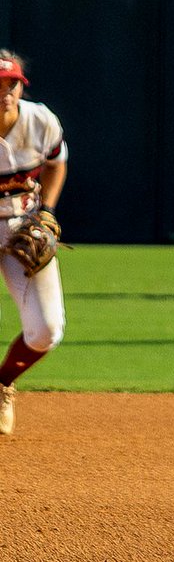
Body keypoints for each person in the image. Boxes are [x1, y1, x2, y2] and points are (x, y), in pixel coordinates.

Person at [0, 51, 68, 435]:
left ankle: (2, 383)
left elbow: (56, 162)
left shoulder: (40, 120)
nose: (5, 92)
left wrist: (49, 211)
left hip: (23, 223)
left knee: (46, 330)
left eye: (12, 83)